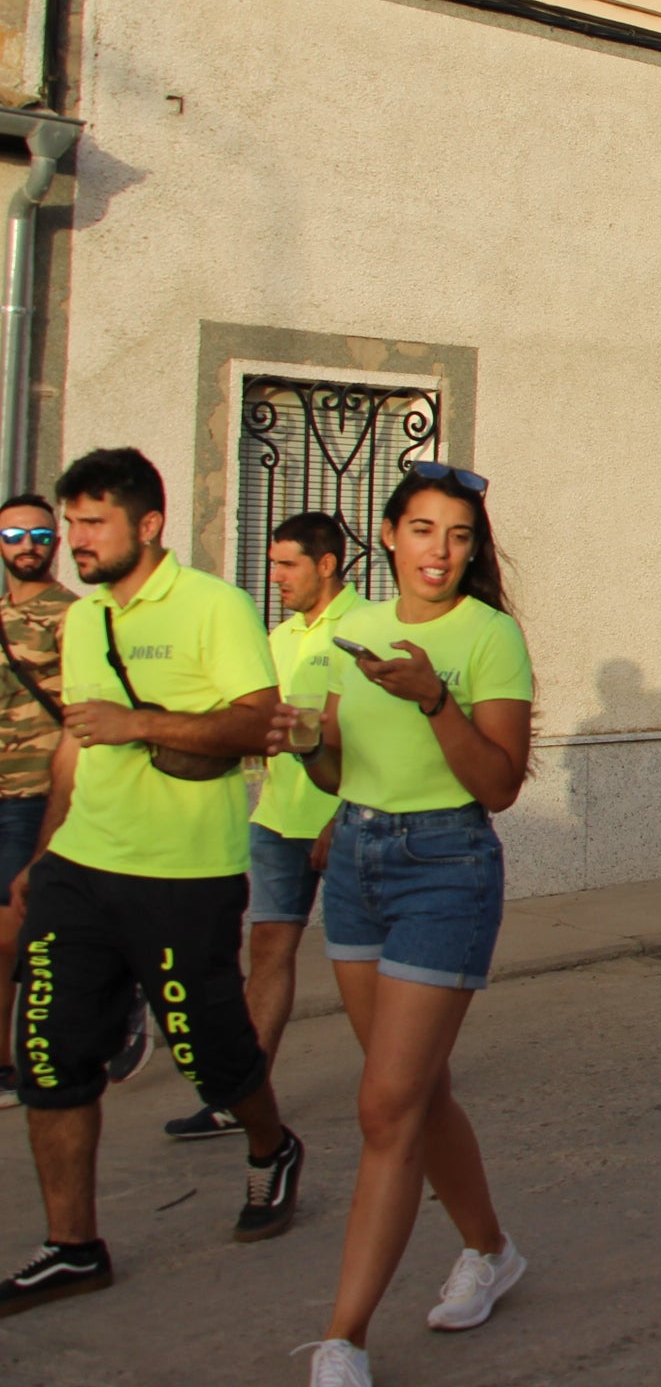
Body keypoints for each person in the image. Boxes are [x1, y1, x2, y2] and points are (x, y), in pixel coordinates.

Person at [4, 450, 299, 1321]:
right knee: (49, 1056)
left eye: (92, 523)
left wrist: (141, 721)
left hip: (184, 873)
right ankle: (73, 1246)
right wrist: (40, 856)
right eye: (70, 523)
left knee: (209, 1051)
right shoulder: (83, 621)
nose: (74, 540)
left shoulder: (216, 605)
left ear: (149, 525)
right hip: (79, 869)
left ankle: (271, 1144)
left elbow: (259, 721)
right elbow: (72, 745)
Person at [282, 463, 531, 1385]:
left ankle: (343, 1339)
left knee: (384, 1106)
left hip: (445, 869)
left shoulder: (490, 637)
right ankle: (492, 1249)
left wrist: (435, 698)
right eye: (424, 530)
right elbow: (333, 771)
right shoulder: (351, 630)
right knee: (417, 1096)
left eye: (460, 536)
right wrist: (306, 743)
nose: (442, 551)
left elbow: (499, 786)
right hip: (355, 862)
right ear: (388, 536)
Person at [165, 513, 360, 1142]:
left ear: (326, 565)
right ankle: (240, 1095)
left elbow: (370, 738)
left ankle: (409, 1077)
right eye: (273, 564)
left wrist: (342, 813)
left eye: (286, 565)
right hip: (276, 820)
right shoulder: (275, 637)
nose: (274, 576)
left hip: (348, 818)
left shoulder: (365, 630)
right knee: (268, 952)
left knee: (373, 962)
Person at [0, 493, 77, 1108]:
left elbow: (81, 717)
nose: (27, 546)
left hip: (35, 794)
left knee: (12, 932)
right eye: (14, 536)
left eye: (40, 536)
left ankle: (16, 1061)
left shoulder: (71, 616)